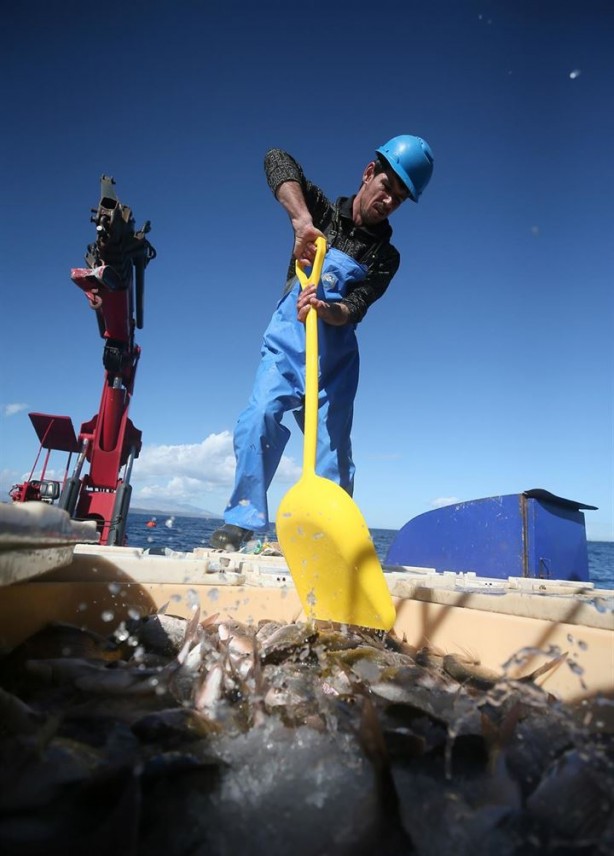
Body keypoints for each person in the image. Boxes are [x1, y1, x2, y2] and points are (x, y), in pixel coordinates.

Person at [210, 135, 434, 551]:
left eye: (400, 199)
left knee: (332, 455)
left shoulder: (387, 256)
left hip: (334, 364)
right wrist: (299, 220)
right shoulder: (321, 212)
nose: (389, 202)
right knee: (258, 417)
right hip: (286, 348)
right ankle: (242, 521)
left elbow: (358, 305)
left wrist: (329, 308)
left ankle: (328, 541)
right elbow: (275, 158)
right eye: (388, 187)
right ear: (369, 174)